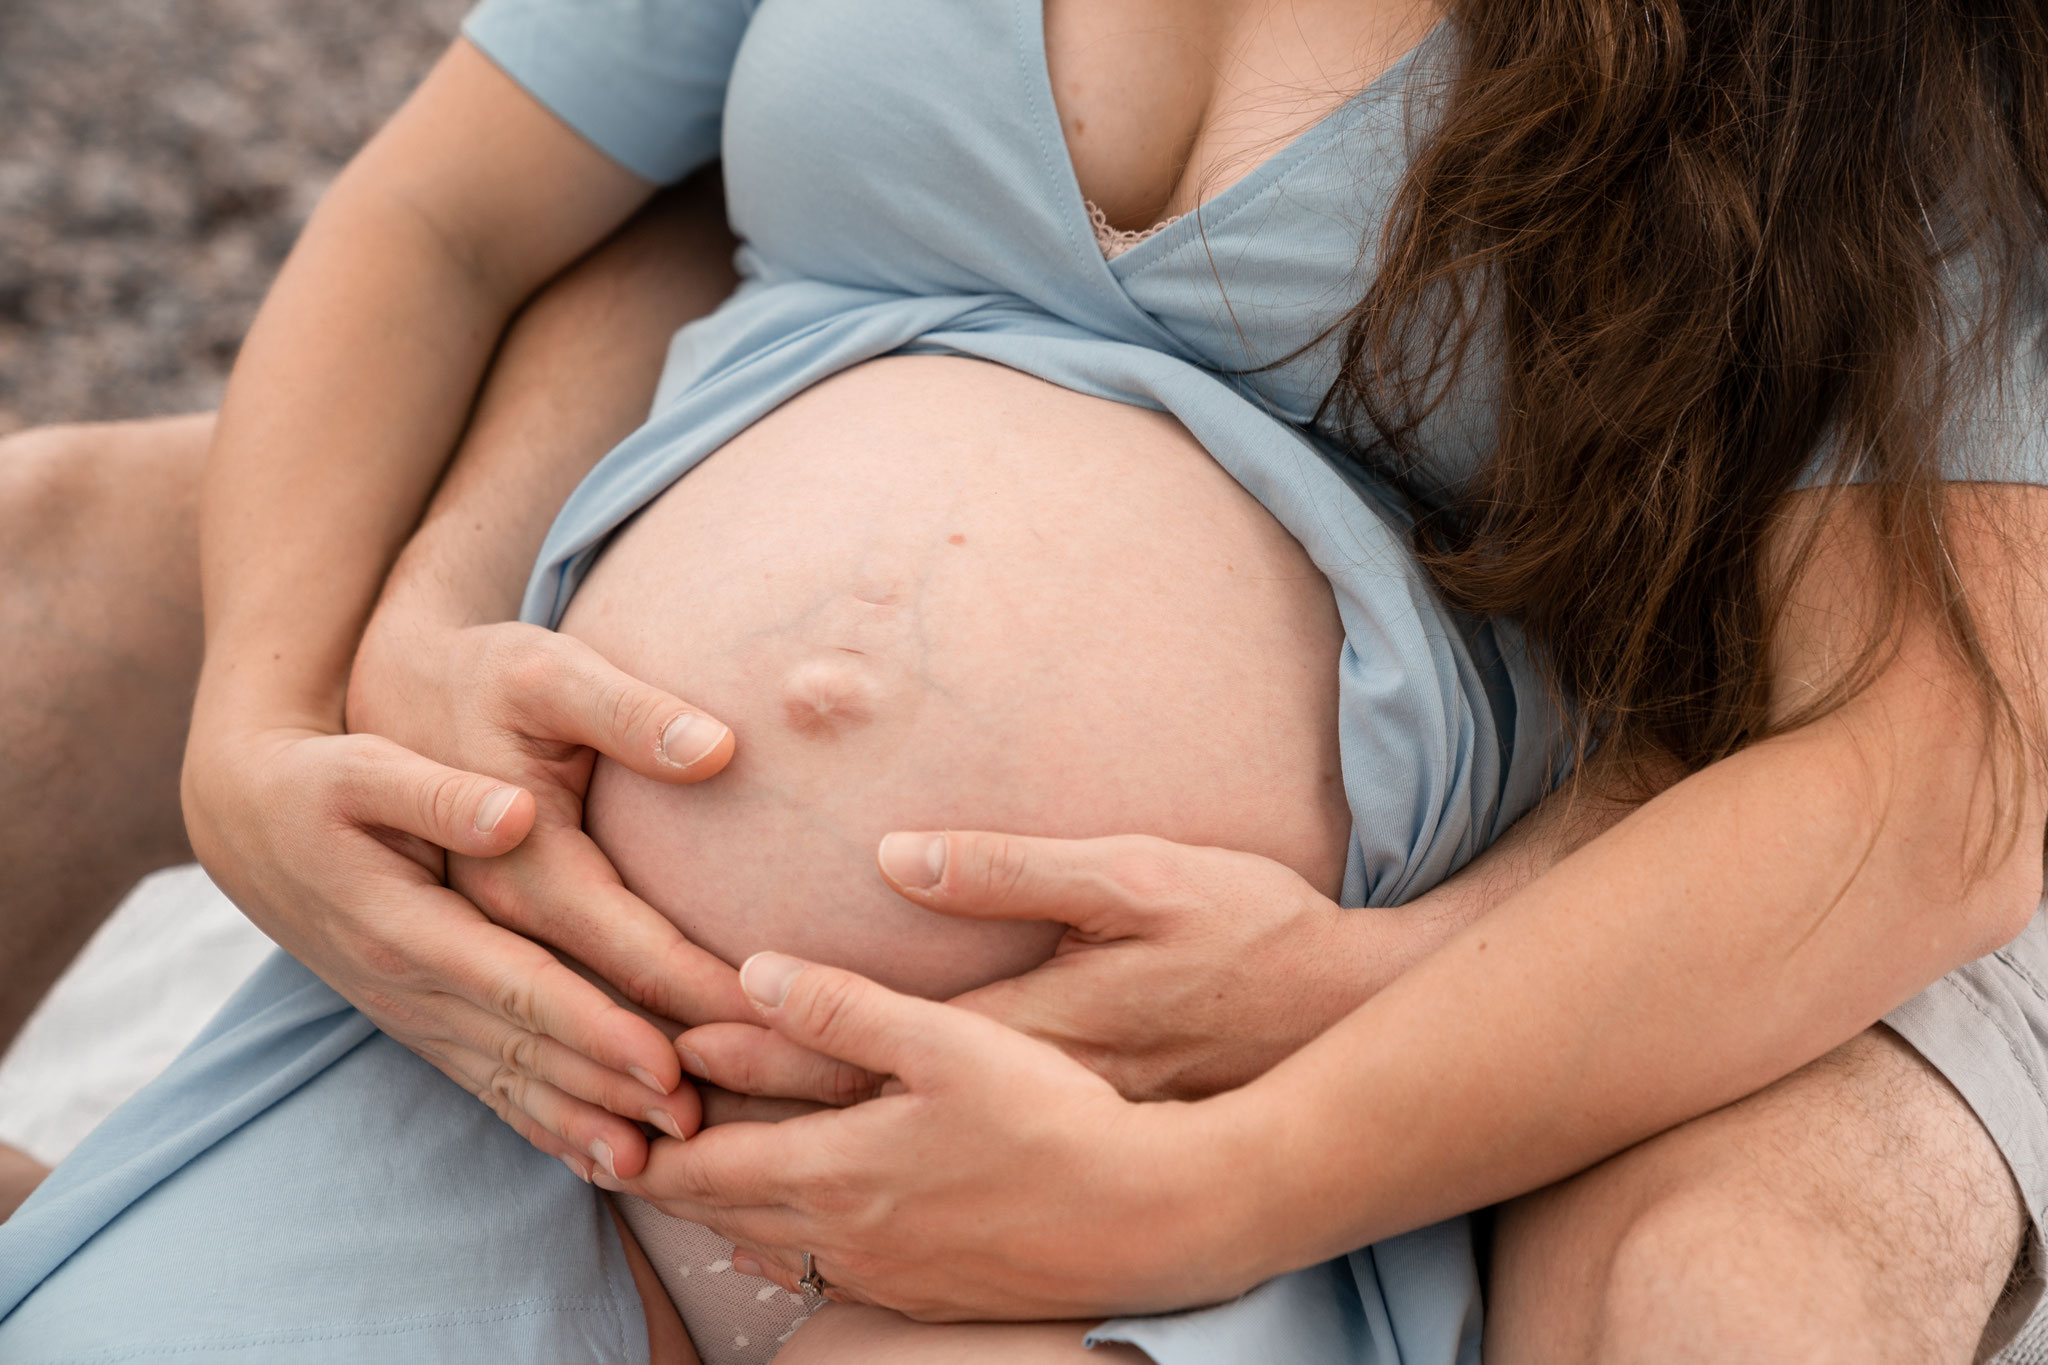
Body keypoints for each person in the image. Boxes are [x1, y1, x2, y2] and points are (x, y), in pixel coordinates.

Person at [2, 0, 2045, 1361]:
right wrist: (281, 722)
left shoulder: (1858, 63)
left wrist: (1232, 1156)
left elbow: (1946, 753)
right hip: (514, 1029)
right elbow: (450, 219)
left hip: (1152, 1121)